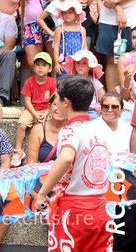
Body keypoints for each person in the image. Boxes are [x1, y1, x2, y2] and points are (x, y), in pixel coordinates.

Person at [34, 75, 112, 252]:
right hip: (100, 209)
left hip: (74, 211)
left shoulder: (70, 130)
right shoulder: (99, 128)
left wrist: (42, 193)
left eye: (57, 98)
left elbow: (66, 157)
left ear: (66, 102)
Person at [12, 52, 57, 166]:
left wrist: (47, 113)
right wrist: (35, 115)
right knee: (22, 124)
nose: (40, 67)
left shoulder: (52, 82)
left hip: (47, 109)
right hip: (31, 109)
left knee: (50, 124)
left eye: (44, 65)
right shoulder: (29, 81)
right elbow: (27, 101)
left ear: (50, 68)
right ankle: (18, 150)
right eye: (37, 64)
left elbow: (53, 101)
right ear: (34, 67)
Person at [26, 93, 65, 164]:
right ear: (49, 107)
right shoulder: (38, 130)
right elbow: (31, 165)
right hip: (44, 174)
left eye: (63, 105)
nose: (59, 109)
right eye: (56, 105)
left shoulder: (74, 130)